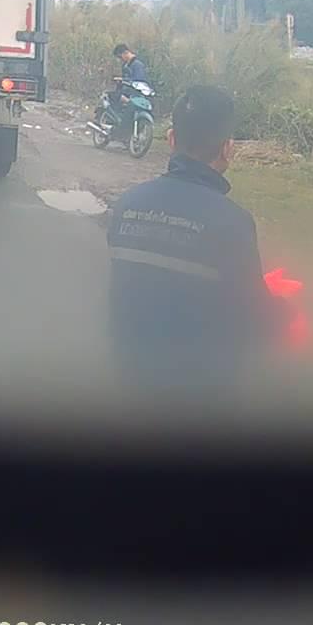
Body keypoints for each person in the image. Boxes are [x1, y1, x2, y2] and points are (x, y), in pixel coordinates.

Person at [107, 85, 290, 397]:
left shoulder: (127, 204)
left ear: (171, 139)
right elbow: (256, 317)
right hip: (198, 394)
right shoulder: (231, 222)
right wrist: (286, 311)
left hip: (128, 382)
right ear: (227, 149)